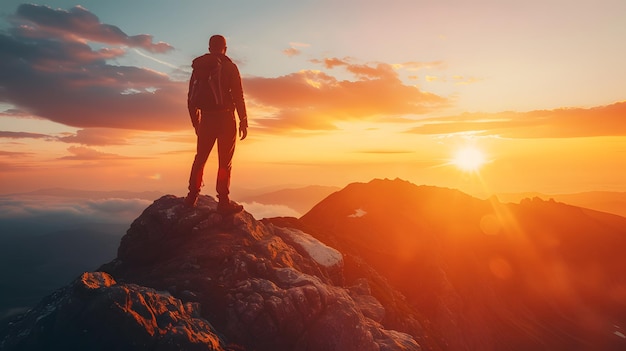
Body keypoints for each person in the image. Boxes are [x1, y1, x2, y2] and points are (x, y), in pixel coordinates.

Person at [184, 35, 248, 213]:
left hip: (206, 119)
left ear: (210, 47)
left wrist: (196, 123)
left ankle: (192, 196)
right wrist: (243, 119)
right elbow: (238, 95)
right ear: (225, 48)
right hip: (226, 119)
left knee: (200, 158)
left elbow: (191, 98)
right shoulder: (230, 67)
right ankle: (223, 201)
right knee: (224, 162)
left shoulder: (199, 68)